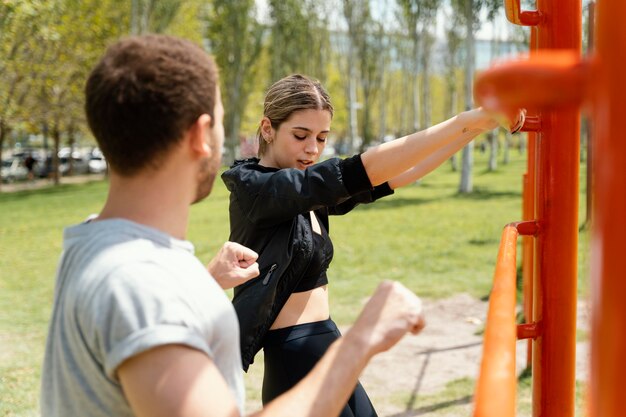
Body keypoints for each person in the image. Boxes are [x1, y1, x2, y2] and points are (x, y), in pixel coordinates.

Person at [40, 34, 425, 417]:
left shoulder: (90, 245)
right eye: (222, 122)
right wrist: (362, 342)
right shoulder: (141, 283)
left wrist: (203, 283)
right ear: (200, 134)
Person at [222, 74, 524, 416]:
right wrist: (465, 120)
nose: (313, 149)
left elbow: (398, 173)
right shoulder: (256, 189)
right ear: (267, 128)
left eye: (321, 138)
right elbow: (354, 172)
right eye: (301, 135)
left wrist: (473, 130)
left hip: (326, 343)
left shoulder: (305, 189)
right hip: (295, 358)